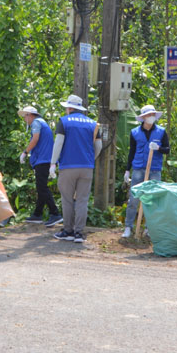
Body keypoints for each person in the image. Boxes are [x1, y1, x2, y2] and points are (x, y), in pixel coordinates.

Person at [49, 94, 102, 244]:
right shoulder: (93, 124)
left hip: (68, 166)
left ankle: (68, 231)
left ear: (70, 108)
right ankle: (79, 233)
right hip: (86, 167)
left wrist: (53, 163)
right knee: (82, 200)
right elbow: (98, 146)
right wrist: (90, 160)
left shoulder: (64, 122)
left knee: (67, 199)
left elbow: (58, 143)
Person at [122, 104, 170, 238]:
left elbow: (167, 150)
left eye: (153, 115)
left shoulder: (161, 132)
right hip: (138, 168)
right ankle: (128, 227)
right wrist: (127, 170)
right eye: (149, 115)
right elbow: (132, 151)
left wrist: (158, 148)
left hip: (154, 169)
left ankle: (149, 229)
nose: (151, 117)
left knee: (153, 200)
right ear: (143, 118)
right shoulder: (135, 132)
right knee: (133, 199)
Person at [17, 105, 56, 224]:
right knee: (41, 187)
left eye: (25, 116)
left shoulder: (36, 123)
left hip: (43, 159)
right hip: (44, 159)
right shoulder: (42, 122)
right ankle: (37, 214)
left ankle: (55, 213)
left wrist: (25, 152)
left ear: (30, 115)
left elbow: (35, 139)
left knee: (42, 188)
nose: (24, 119)